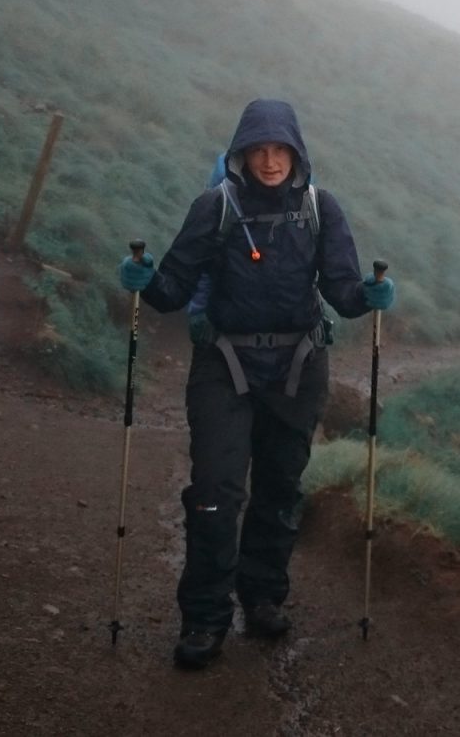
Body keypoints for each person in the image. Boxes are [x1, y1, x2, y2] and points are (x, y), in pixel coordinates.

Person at [119, 98, 395, 669]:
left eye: (280, 149)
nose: (270, 161)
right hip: (224, 363)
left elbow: (342, 294)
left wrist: (368, 297)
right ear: (241, 153)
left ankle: (263, 597)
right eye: (258, 150)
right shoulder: (214, 207)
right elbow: (173, 287)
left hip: (298, 365)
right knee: (216, 492)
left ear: (297, 153)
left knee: (280, 488)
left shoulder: (322, 209)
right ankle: (204, 619)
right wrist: (144, 282)